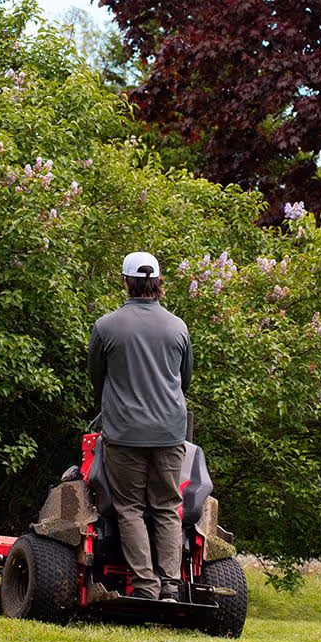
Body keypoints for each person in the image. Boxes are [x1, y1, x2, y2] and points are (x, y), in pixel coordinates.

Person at [87, 251, 194, 602]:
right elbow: (185, 381)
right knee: (166, 507)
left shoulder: (106, 326)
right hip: (169, 433)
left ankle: (145, 588)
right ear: (158, 282)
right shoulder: (178, 326)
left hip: (124, 433)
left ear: (126, 281)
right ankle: (172, 588)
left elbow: (96, 379)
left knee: (129, 507)